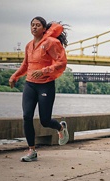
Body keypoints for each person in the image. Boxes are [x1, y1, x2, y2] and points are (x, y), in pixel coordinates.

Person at [9, 16, 69, 162]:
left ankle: (60, 128)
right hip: (30, 84)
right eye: (32, 25)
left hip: (46, 84)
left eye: (37, 25)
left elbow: (62, 63)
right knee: (27, 116)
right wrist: (15, 76)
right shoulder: (29, 45)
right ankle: (32, 150)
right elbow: (25, 65)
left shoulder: (51, 43)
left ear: (44, 29)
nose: (34, 27)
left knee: (45, 120)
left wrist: (44, 71)